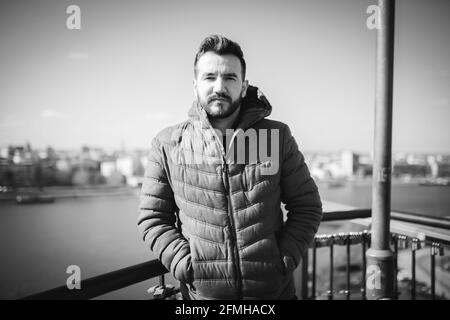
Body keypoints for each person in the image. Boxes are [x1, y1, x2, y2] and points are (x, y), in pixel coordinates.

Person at [138, 34, 322, 300]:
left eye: (230, 78)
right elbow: (153, 219)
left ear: (244, 86)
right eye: (209, 77)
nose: (219, 87)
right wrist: (188, 267)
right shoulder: (168, 144)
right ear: (195, 85)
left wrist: (282, 260)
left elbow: (307, 206)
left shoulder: (275, 136)